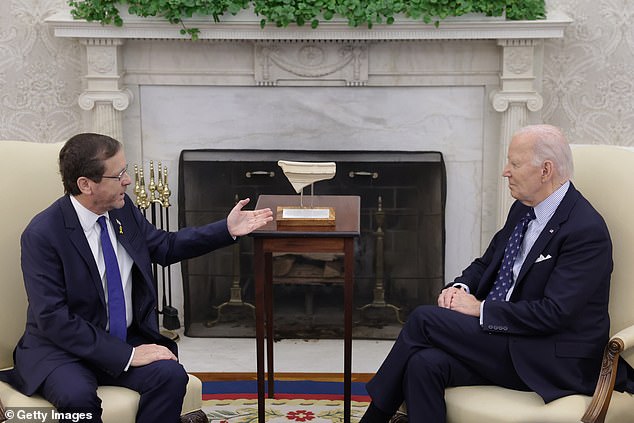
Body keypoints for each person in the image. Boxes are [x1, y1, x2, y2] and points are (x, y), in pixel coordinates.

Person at [360, 124, 634, 422]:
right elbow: (486, 264)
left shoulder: (585, 230)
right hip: (506, 342)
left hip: (550, 356)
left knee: (424, 320)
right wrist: (461, 288)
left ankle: (373, 418)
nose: (506, 171)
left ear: (545, 170)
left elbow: (554, 313)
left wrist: (480, 310)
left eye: (515, 164)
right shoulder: (523, 209)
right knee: (424, 363)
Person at [0, 133, 273, 422]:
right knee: (77, 398)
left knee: (170, 375)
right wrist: (127, 355)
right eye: (119, 175)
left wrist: (226, 229)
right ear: (86, 184)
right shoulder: (43, 234)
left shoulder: (122, 210)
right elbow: (53, 319)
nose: (128, 180)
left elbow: (165, 246)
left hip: (123, 339)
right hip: (63, 352)